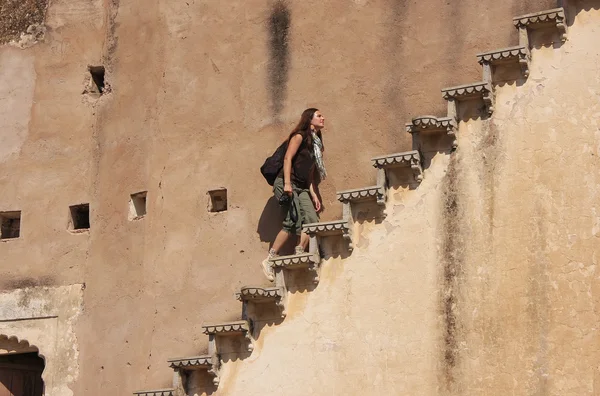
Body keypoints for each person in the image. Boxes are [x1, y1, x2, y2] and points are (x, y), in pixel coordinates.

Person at [261, 108, 327, 281]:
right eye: (319, 116)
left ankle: (299, 251)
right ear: (309, 119)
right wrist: (288, 184)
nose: (323, 118)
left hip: (302, 186)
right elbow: (287, 159)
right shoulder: (299, 136)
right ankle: (270, 259)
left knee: (312, 220)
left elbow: (310, 174)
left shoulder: (317, 144)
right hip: (286, 183)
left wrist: (313, 194)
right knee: (293, 220)